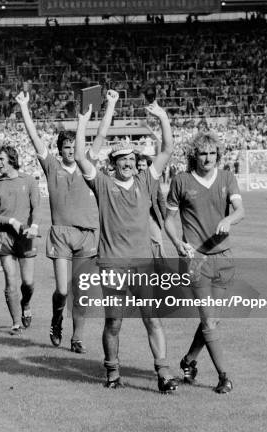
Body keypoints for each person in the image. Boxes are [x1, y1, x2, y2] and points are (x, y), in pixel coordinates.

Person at [74, 97, 179, 393]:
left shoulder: (146, 181)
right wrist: (83, 121)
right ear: (113, 165)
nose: (129, 165)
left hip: (143, 264)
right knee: (114, 324)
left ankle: (163, 372)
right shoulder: (103, 185)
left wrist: (162, 117)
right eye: (123, 161)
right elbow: (81, 157)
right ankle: (112, 370)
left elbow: (168, 149)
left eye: (132, 160)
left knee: (153, 319)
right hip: (113, 265)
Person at [16, 90, 99, 353]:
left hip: (86, 234)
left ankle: (77, 339)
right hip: (61, 234)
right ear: (60, 149)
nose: (71, 151)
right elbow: (33, 137)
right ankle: (56, 319)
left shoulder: (88, 164)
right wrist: (24, 107)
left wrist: (110, 107)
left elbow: (103, 133)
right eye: (66, 147)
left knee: (81, 292)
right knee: (63, 290)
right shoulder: (52, 166)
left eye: (74, 147)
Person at [164, 130, 244, 394]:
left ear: (217, 155)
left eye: (212, 153)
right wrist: (178, 243)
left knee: (213, 320)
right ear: (193, 156)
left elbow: (240, 210)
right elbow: (168, 220)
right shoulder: (181, 181)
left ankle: (188, 361)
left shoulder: (227, 177)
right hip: (196, 259)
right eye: (202, 153)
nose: (208, 158)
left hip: (224, 258)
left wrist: (228, 220)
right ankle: (224, 377)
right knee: (209, 322)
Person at [0, 145, 40, 336]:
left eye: (1, 159)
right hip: (4, 239)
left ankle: (25, 303)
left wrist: (34, 226)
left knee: (28, 283)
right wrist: (10, 221)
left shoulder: (29, 181)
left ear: (11, 159)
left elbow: (36, 209)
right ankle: (16, 322)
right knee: (10, 280)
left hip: (25, 239)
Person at [136, 153, 167, 260]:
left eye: (143, 165)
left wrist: (166, 218)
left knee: (158, 243)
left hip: (152, 217)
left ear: (148, 166)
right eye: (139, 165)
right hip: (137, 218)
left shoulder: (155, 179)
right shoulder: (132, 180)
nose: (141, 168)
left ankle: (163, 272)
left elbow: (160, 199)